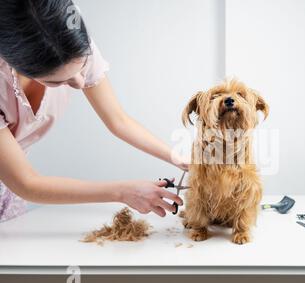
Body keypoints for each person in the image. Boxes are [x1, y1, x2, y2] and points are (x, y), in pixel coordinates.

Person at [0, 0, 187, 222]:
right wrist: (122, 192)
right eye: (59, 81)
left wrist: (180, 158)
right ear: (15, 64)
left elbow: (118, 120)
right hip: (18, 182)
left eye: (82, 68)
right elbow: (26, 183)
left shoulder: (70, 37)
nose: (80, 83)